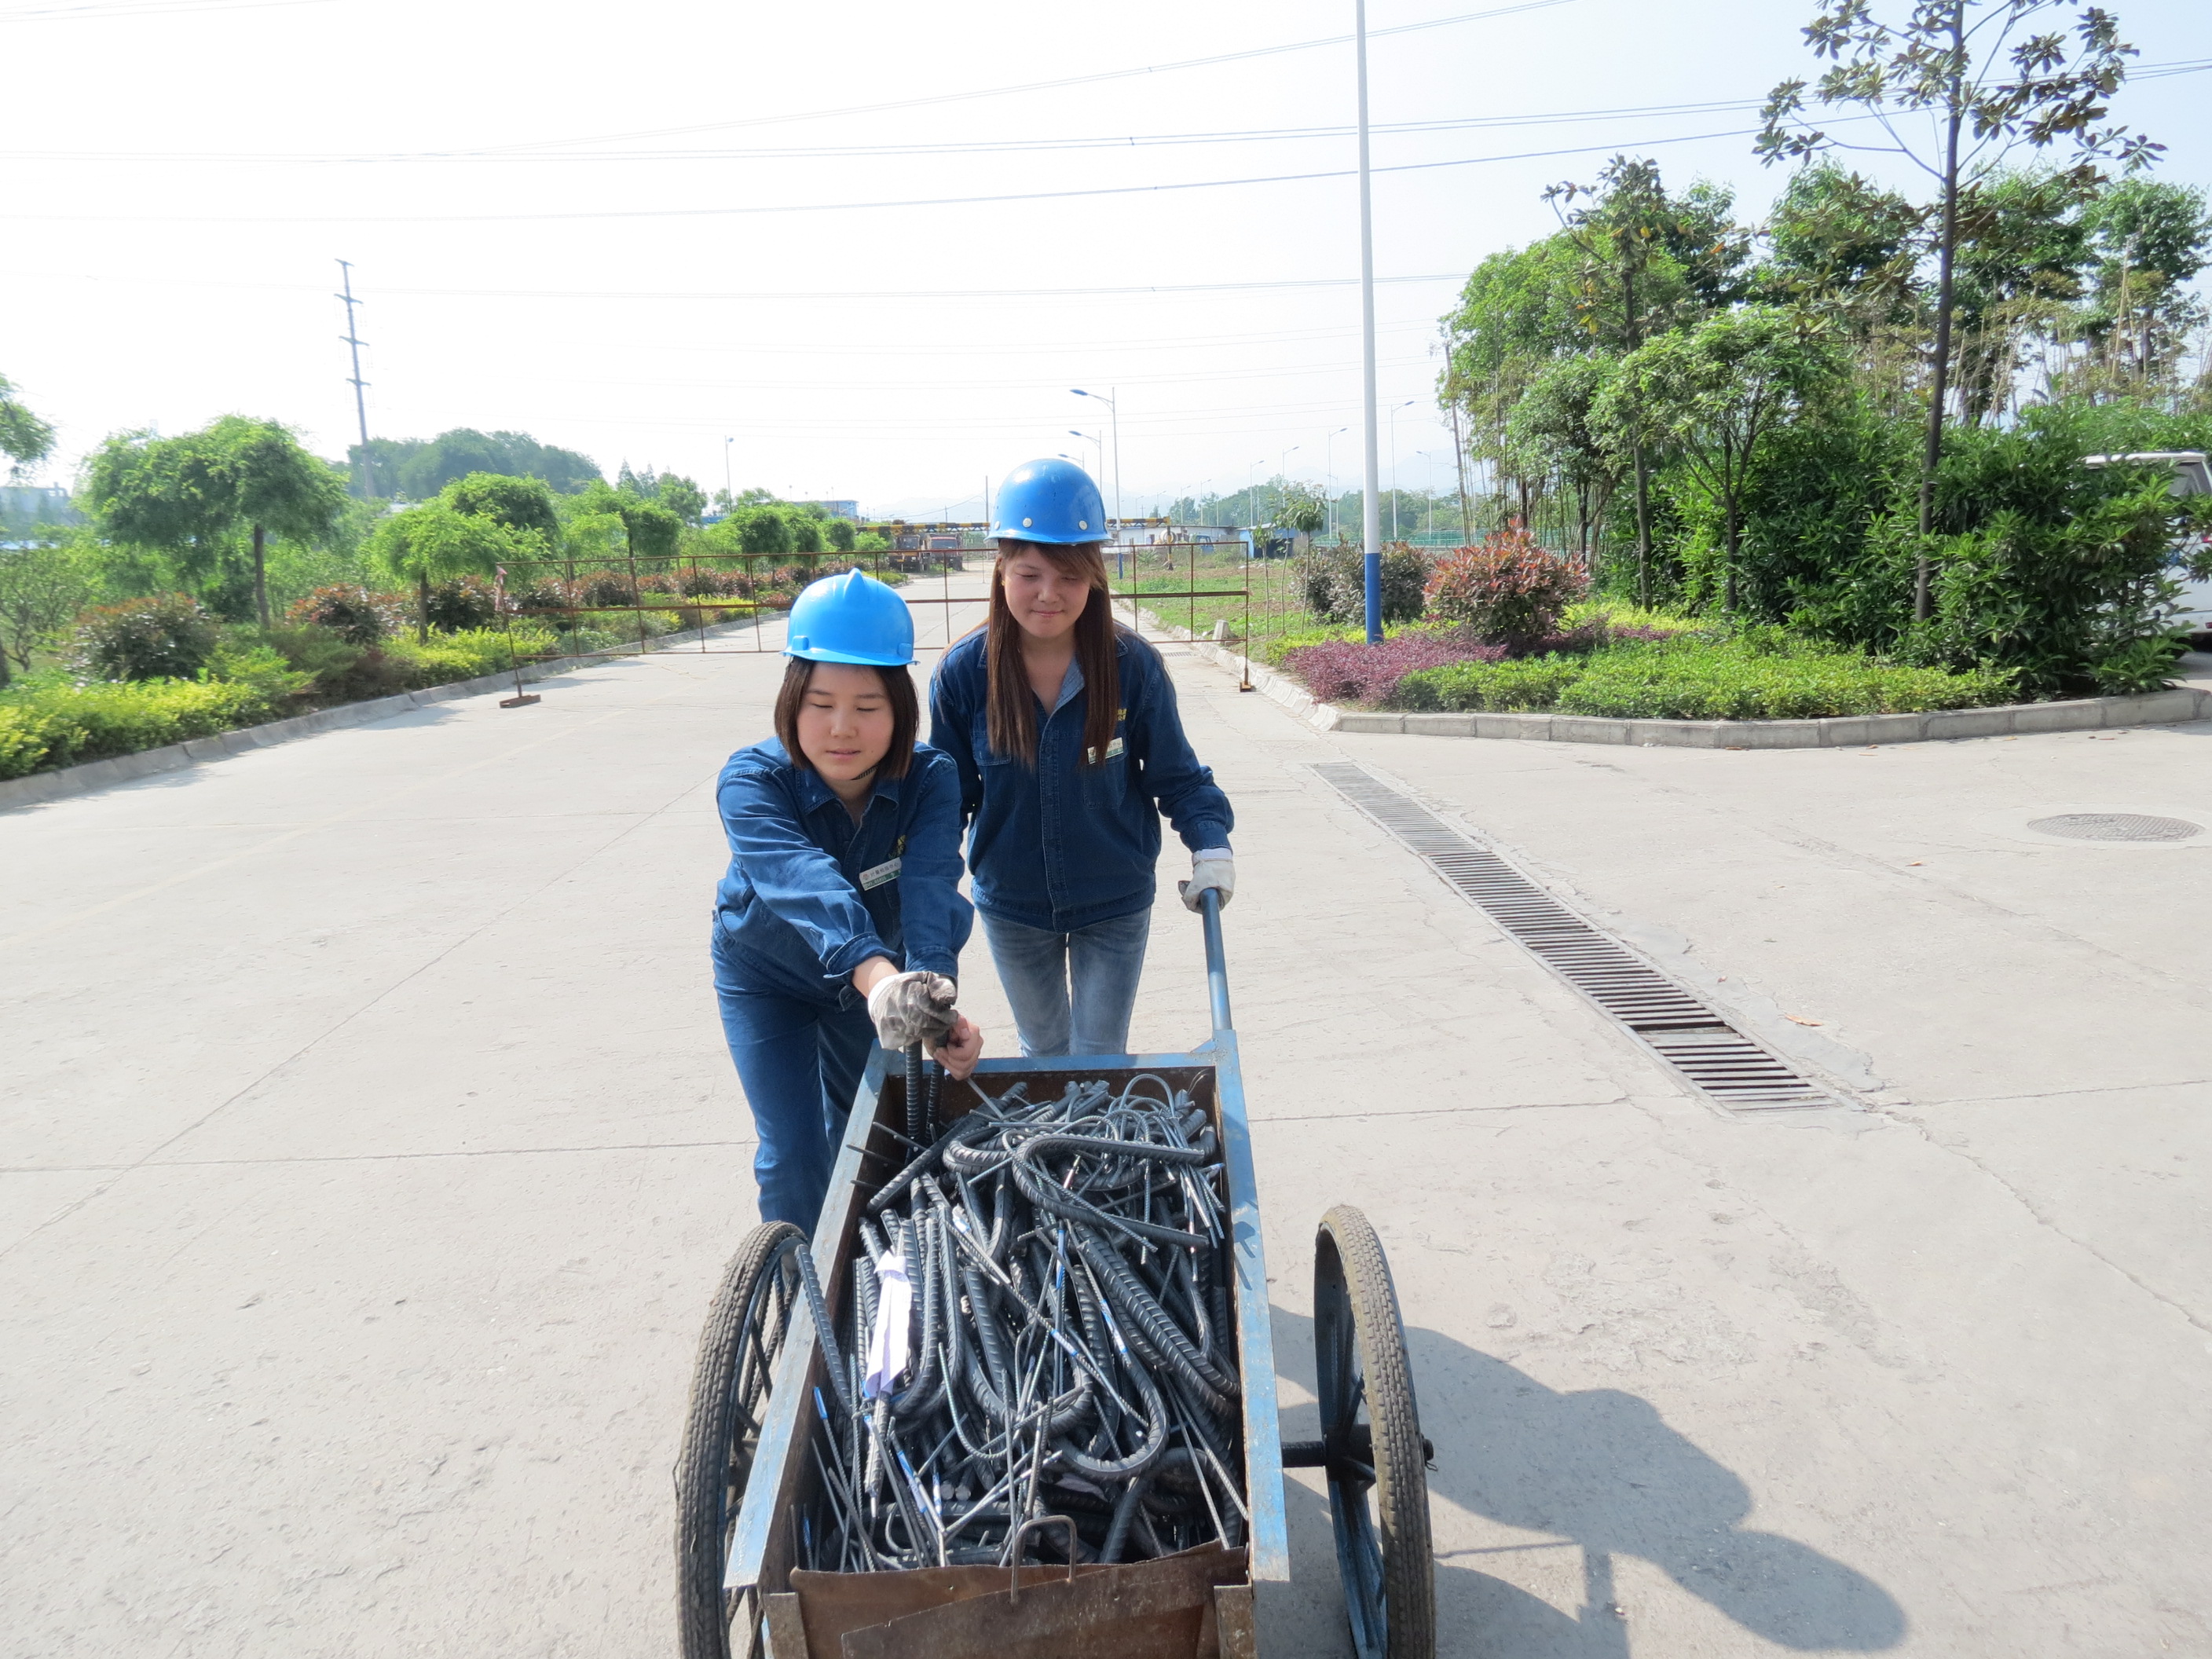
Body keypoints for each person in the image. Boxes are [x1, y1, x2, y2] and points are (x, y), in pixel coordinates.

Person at [929, 457, 1234, 1057]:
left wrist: (1211, 843)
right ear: (1001, 570)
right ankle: (1055, 1152)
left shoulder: (1130, 667)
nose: (1049, 594)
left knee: (1099, 1058)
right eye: (1029, 573)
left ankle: (1091, 1152)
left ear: (1094, 575)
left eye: (1069, 575)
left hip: (1113, 900)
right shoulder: (966, 674)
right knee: (1043, 1053)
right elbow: (943, 804)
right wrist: (920, 894)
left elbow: (1177, 776)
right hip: (1013, 904)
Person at [711, 568, 982, 1231]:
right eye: (820, 703)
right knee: (793, 1153)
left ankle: (862, 1272)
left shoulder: (932, 778)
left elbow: (928, 885)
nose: (841, 728)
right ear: (791, 702)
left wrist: (933, 1001)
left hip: (874, 983)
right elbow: (804, 881)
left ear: (899, 711)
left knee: (871, 1135)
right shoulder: (752, 783)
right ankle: (807, 1299)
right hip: (766, 977)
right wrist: (881, 978)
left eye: (867, 708)